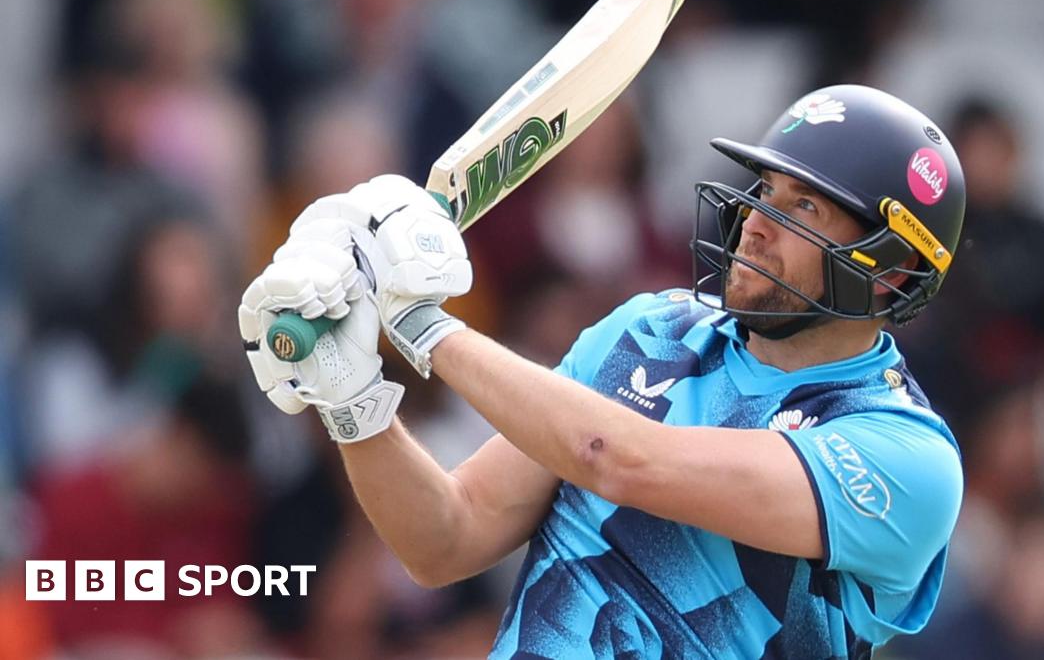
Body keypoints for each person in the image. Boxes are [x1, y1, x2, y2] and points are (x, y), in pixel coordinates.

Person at [239, 84, 966, 658]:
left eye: (804, 205)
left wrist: (422, 323)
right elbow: (445, 539)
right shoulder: (650, 328)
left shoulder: (903, 453)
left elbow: (621, 460)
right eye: (765, 191)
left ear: (892, 271)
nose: (756, 222)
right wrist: (353, 398)